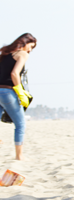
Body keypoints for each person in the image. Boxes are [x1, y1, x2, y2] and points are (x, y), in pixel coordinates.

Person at [0, 33, 36, 161]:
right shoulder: (22, 54)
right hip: (8, 92)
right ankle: (19, 156)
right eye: (30, 46)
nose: (30, 50)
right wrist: (20, 91)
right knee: (20, 124)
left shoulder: (4, 55)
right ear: (24, 43)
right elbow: (15, 74)